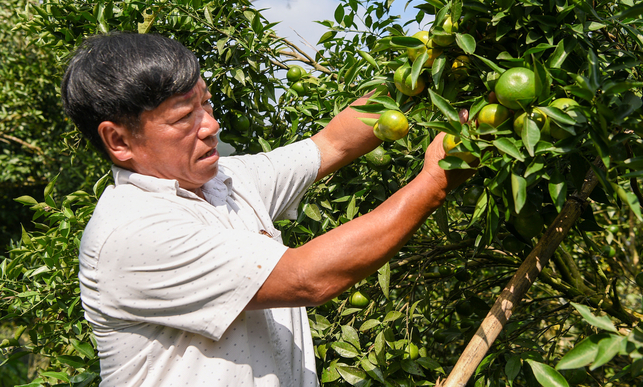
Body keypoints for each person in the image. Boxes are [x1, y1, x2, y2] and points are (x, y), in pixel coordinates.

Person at [62, 32, 473, 386]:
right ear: (118, 140)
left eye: (205, 104)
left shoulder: (226, 182)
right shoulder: (133, 232)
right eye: (185, 116)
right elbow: (307, 279)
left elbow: (331, 144)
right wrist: (433, 184)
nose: (210, 125)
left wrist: (425, 67)